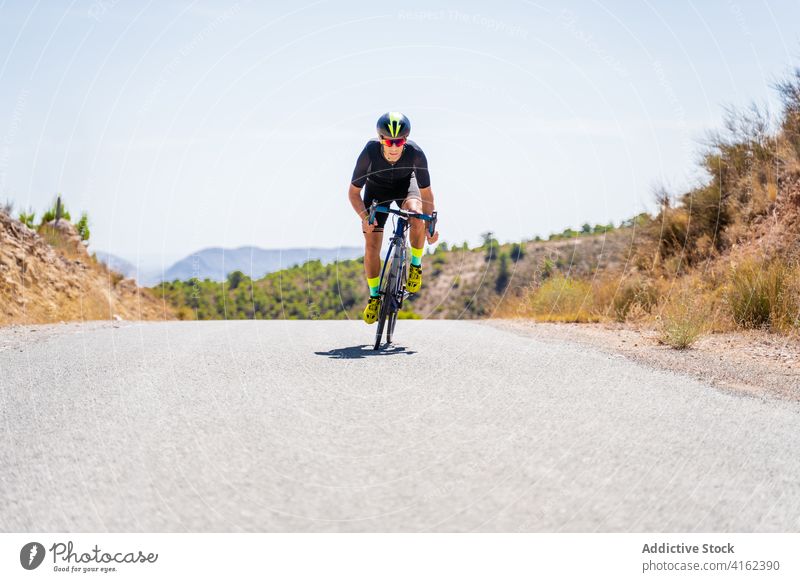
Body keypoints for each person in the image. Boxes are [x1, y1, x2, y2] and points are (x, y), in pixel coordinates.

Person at [348, 112, 439, 324]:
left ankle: (415, 265)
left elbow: (426, 194)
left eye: (400, 141)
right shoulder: (369, 152)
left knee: (416, 215)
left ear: (405, 140)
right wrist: (364, 217)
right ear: (381, 139)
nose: (394, 146)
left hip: (406, 187)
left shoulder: (416, 153)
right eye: (389, 141)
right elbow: (353, 193)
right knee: (371, 243)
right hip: (376, 192)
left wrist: (431, 227)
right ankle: (374, 297)